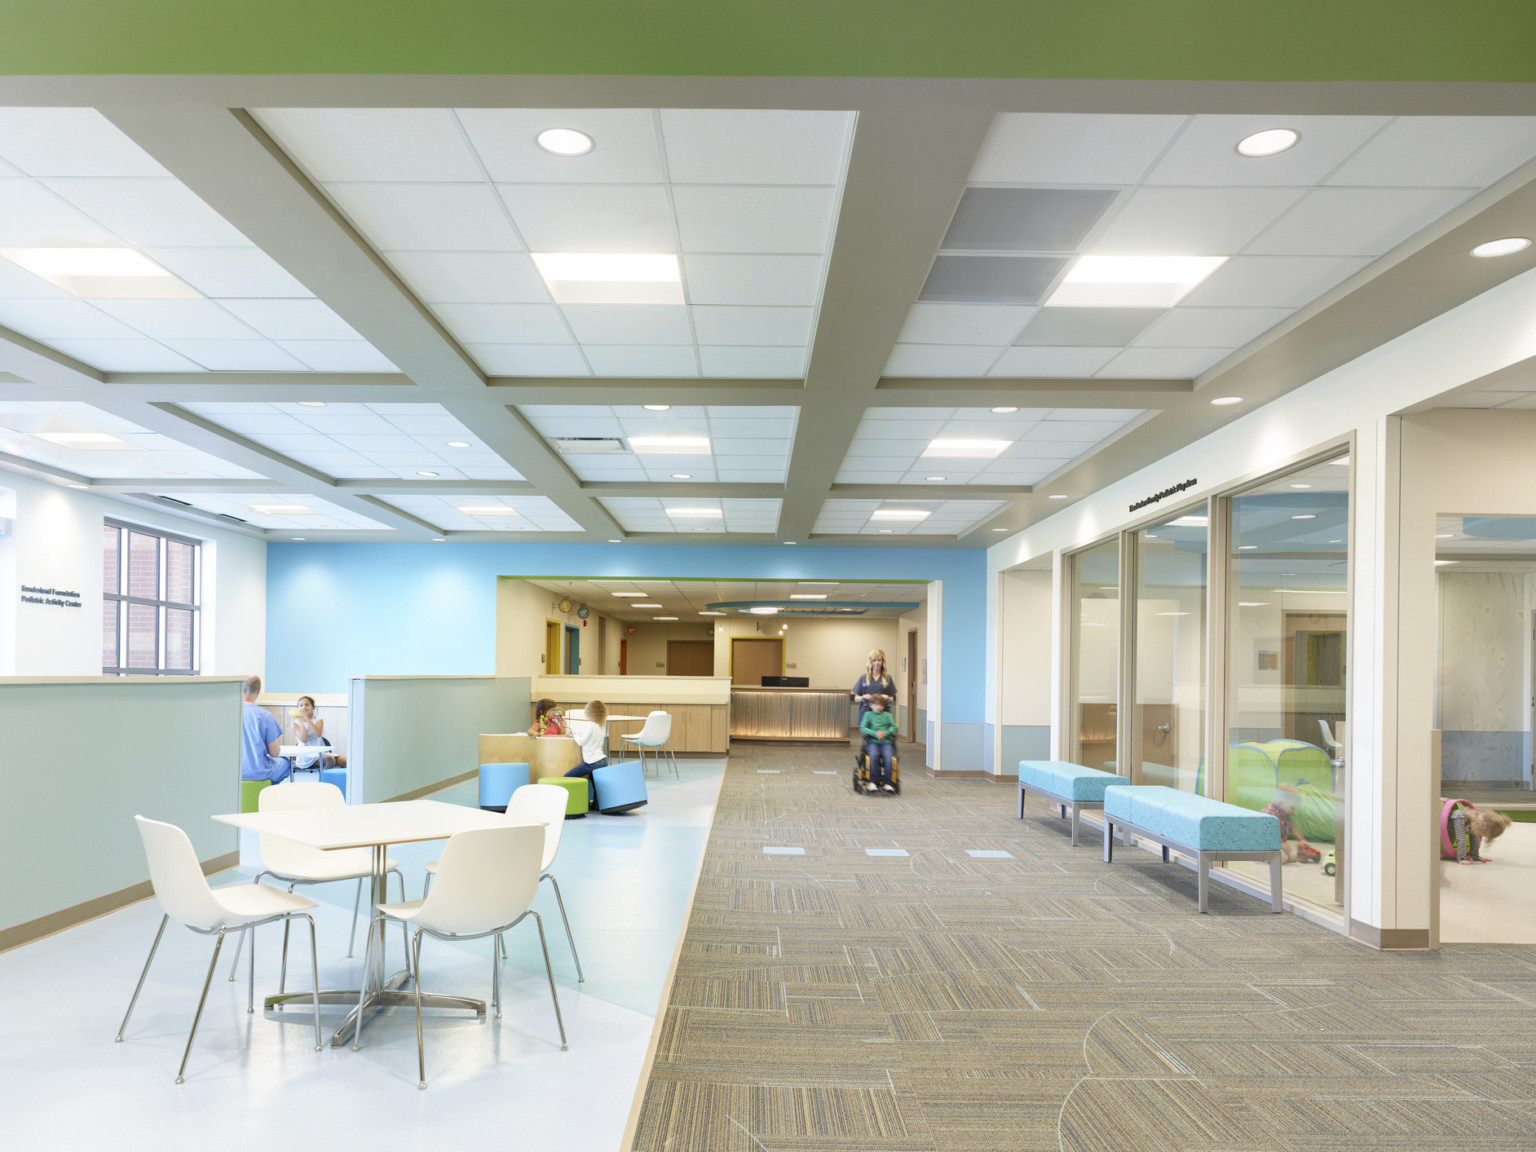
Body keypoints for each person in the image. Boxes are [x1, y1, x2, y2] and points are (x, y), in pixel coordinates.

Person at [241, 674, 291, 784]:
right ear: (258, 691)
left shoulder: (230, 712)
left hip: (234, 772)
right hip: (258, 772)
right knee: (286, 763)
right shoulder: (265, 715)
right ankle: (264, 792)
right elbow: (274, 753)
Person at [563, 700, 610, 806]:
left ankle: (574, 802)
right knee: (596, 786)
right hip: (602, 760)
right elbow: (590, 736)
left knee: (567, 777)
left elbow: (581, 741)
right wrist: (578, 734)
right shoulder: (601, 725)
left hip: (592, 762)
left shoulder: (590, 725)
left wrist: (574, 735)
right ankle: (597, 805)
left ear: (590, 712)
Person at [1262, 784, 1318, 863]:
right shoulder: (1270, 813)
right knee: (1282, 858)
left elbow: (1292, 828)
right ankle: (1263, 856)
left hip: (1278, 846)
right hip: (1266, 845)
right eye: (1292, 808)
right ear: (1281, 802)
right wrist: (1281, 844)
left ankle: (1277, 853)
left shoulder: (1285, 814)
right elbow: (1268, 834)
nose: (1293, 811)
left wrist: (1301, 840)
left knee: (1293, 856)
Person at [290, 695, 345, 773]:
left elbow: (318, 733)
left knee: (345, 761)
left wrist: (307, 719)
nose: (303, 707)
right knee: (330, 759)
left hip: (320, 752)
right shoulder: (295, 723)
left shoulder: (318, 719)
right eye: (301, 705)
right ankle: (324, 782)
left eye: (307, 705)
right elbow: (304, 739)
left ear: (313, 707)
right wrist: (302, 722)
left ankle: (339, 782)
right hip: (305, 755)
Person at [852, 648, 897, 733]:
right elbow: (855, 698)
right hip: (867, 713)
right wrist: (863, 697)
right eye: (874, 660)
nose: (877, 663)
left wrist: (887, 697)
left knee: (883, 739)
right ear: (870, 662)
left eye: (879, 660)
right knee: (868, 741)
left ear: (882, 661)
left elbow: (892, 698)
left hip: (882, 716)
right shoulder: (864, 678)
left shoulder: (887, 678)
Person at [859, 698, 898, 793]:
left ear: (884, 707)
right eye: (876, 705)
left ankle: (888, 783)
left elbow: (894, 728)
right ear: (871, 705)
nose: (879, 707)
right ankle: (873, 781)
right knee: (873, 755)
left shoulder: (887, 715)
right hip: (872, 742)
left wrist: (885, 733)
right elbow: (862, 728)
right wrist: (875, 733)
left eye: (881, 705)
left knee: (889, 757)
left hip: (886, 742)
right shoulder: (868, 715)